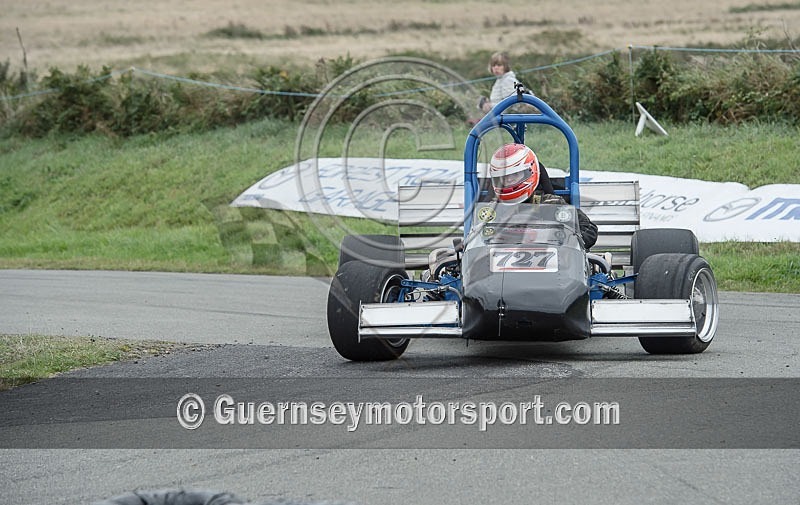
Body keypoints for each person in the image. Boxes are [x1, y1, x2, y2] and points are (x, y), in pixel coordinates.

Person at [489, 143, 598, 249]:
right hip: (501, 262)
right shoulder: (492, 210)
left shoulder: (551, 204)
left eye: (515, 175)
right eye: (504, 177)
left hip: (552, 262)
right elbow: (476, 239)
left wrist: (567, 240)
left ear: (530, 172)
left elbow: (589, 230)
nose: (509, 180)